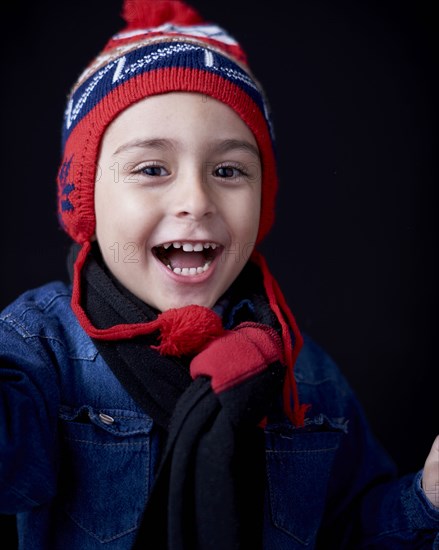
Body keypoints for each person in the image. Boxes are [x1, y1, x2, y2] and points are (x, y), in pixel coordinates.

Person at [0, 0, 437, 548]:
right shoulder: (35, 348)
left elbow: (351, 531)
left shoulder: (307, 378)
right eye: (152, 169)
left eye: (228, 170)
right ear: (85, 201)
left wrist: (429, 496)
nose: (195, 199)